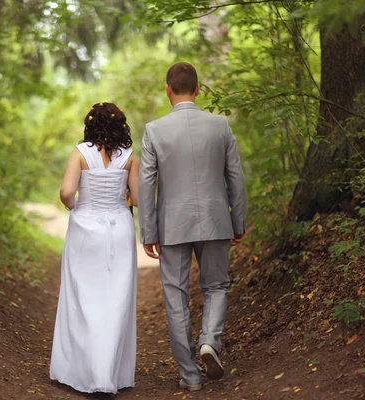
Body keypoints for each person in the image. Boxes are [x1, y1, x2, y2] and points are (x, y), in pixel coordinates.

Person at [138, 62, 247, 391]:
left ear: (167, 89)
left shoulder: (154, 130)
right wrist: (238, 220)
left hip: (173, 226)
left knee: (176, 296)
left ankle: (190, 376)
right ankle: (209, 342)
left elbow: (146, 185)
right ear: (198, 89)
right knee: (216, 287)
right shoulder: (220, 126)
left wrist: (148, 231)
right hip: (216, 219)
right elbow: (235, 178)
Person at [50, 102, 140, 394]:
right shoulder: (129, 157)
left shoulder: (80, 152)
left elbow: (66, 192)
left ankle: (85, 371)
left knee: (82, 298)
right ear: (120, 125)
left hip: (86, 229)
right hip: (119, 229)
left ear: (91, 124)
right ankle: (109, 374)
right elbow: (137, 199)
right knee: (116, 299)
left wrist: (76, 206)